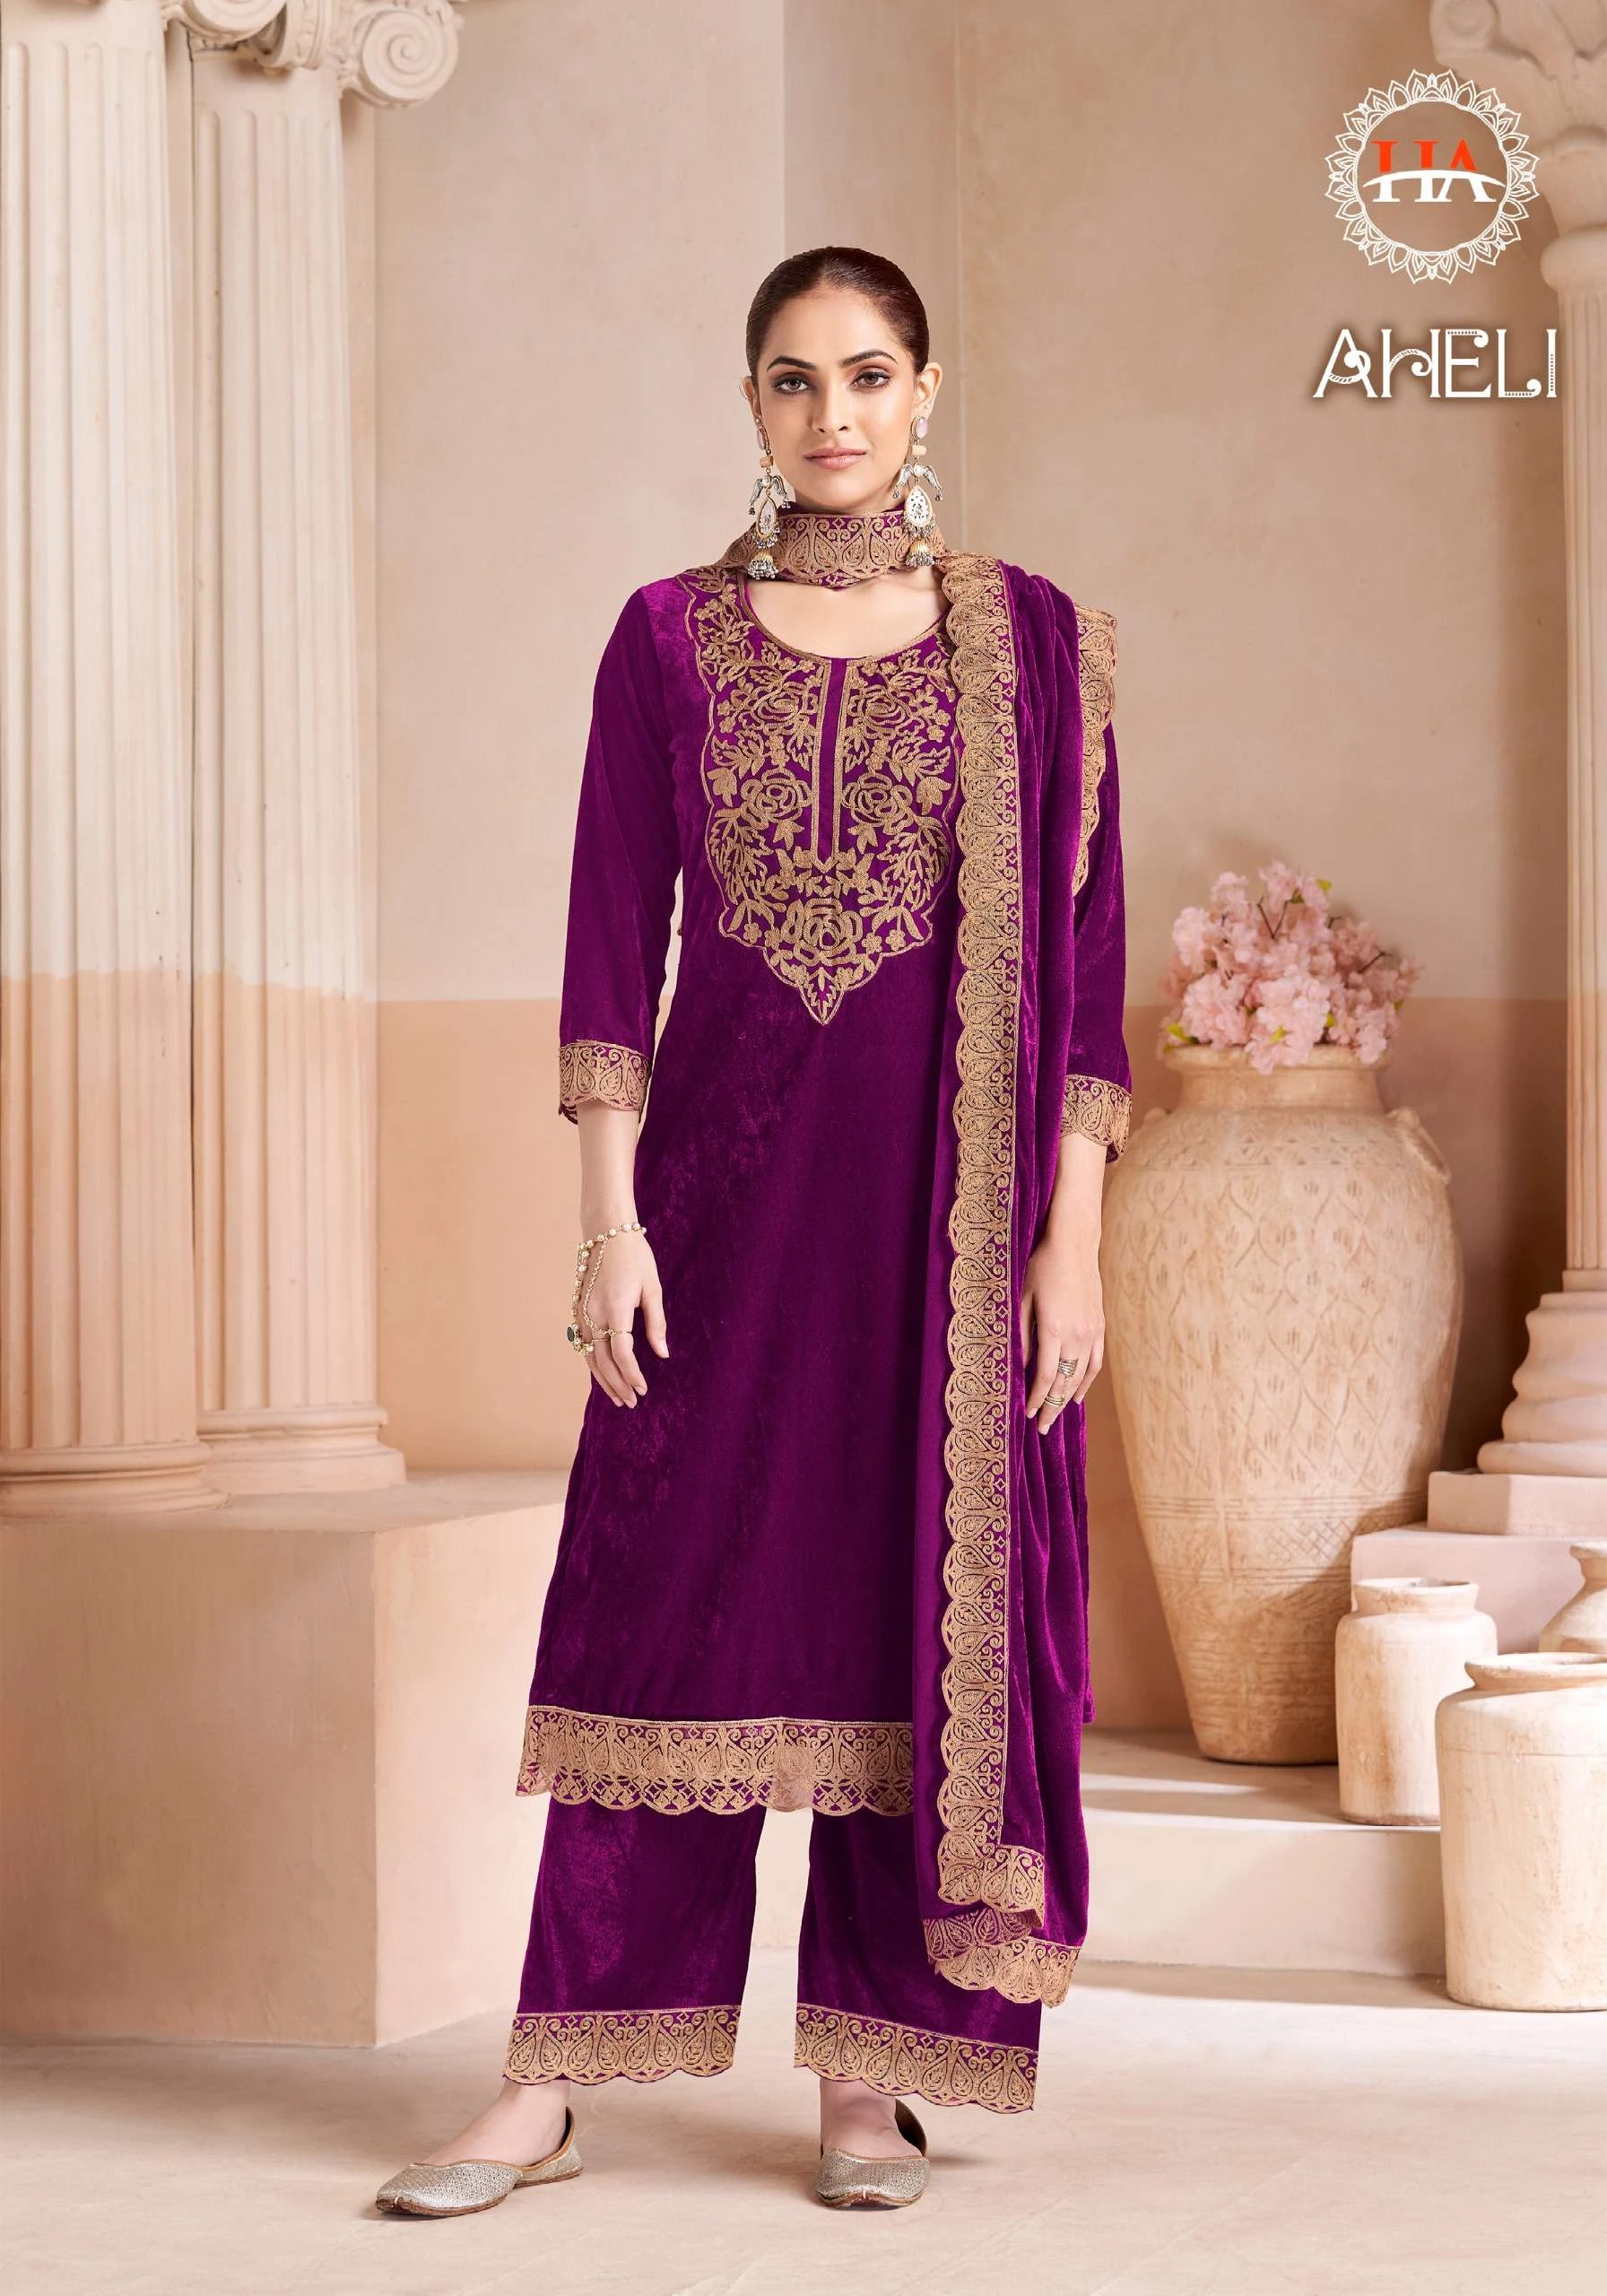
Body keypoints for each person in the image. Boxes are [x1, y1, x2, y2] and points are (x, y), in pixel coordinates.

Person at [377, 245, 1130, 2217]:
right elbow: (609, 944)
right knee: (656, 1611)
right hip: (714, 1211)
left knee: (910, 1617)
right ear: (751, 406)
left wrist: (1070, 1244)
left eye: (867, 374)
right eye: (794, 380)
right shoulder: (667, 640)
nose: (833, 414)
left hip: (943, 1238)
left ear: (924, 391)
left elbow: (1084, 980)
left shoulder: (1033, 645)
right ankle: (550, 2079)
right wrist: (607, 1225)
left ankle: (868, 2086)